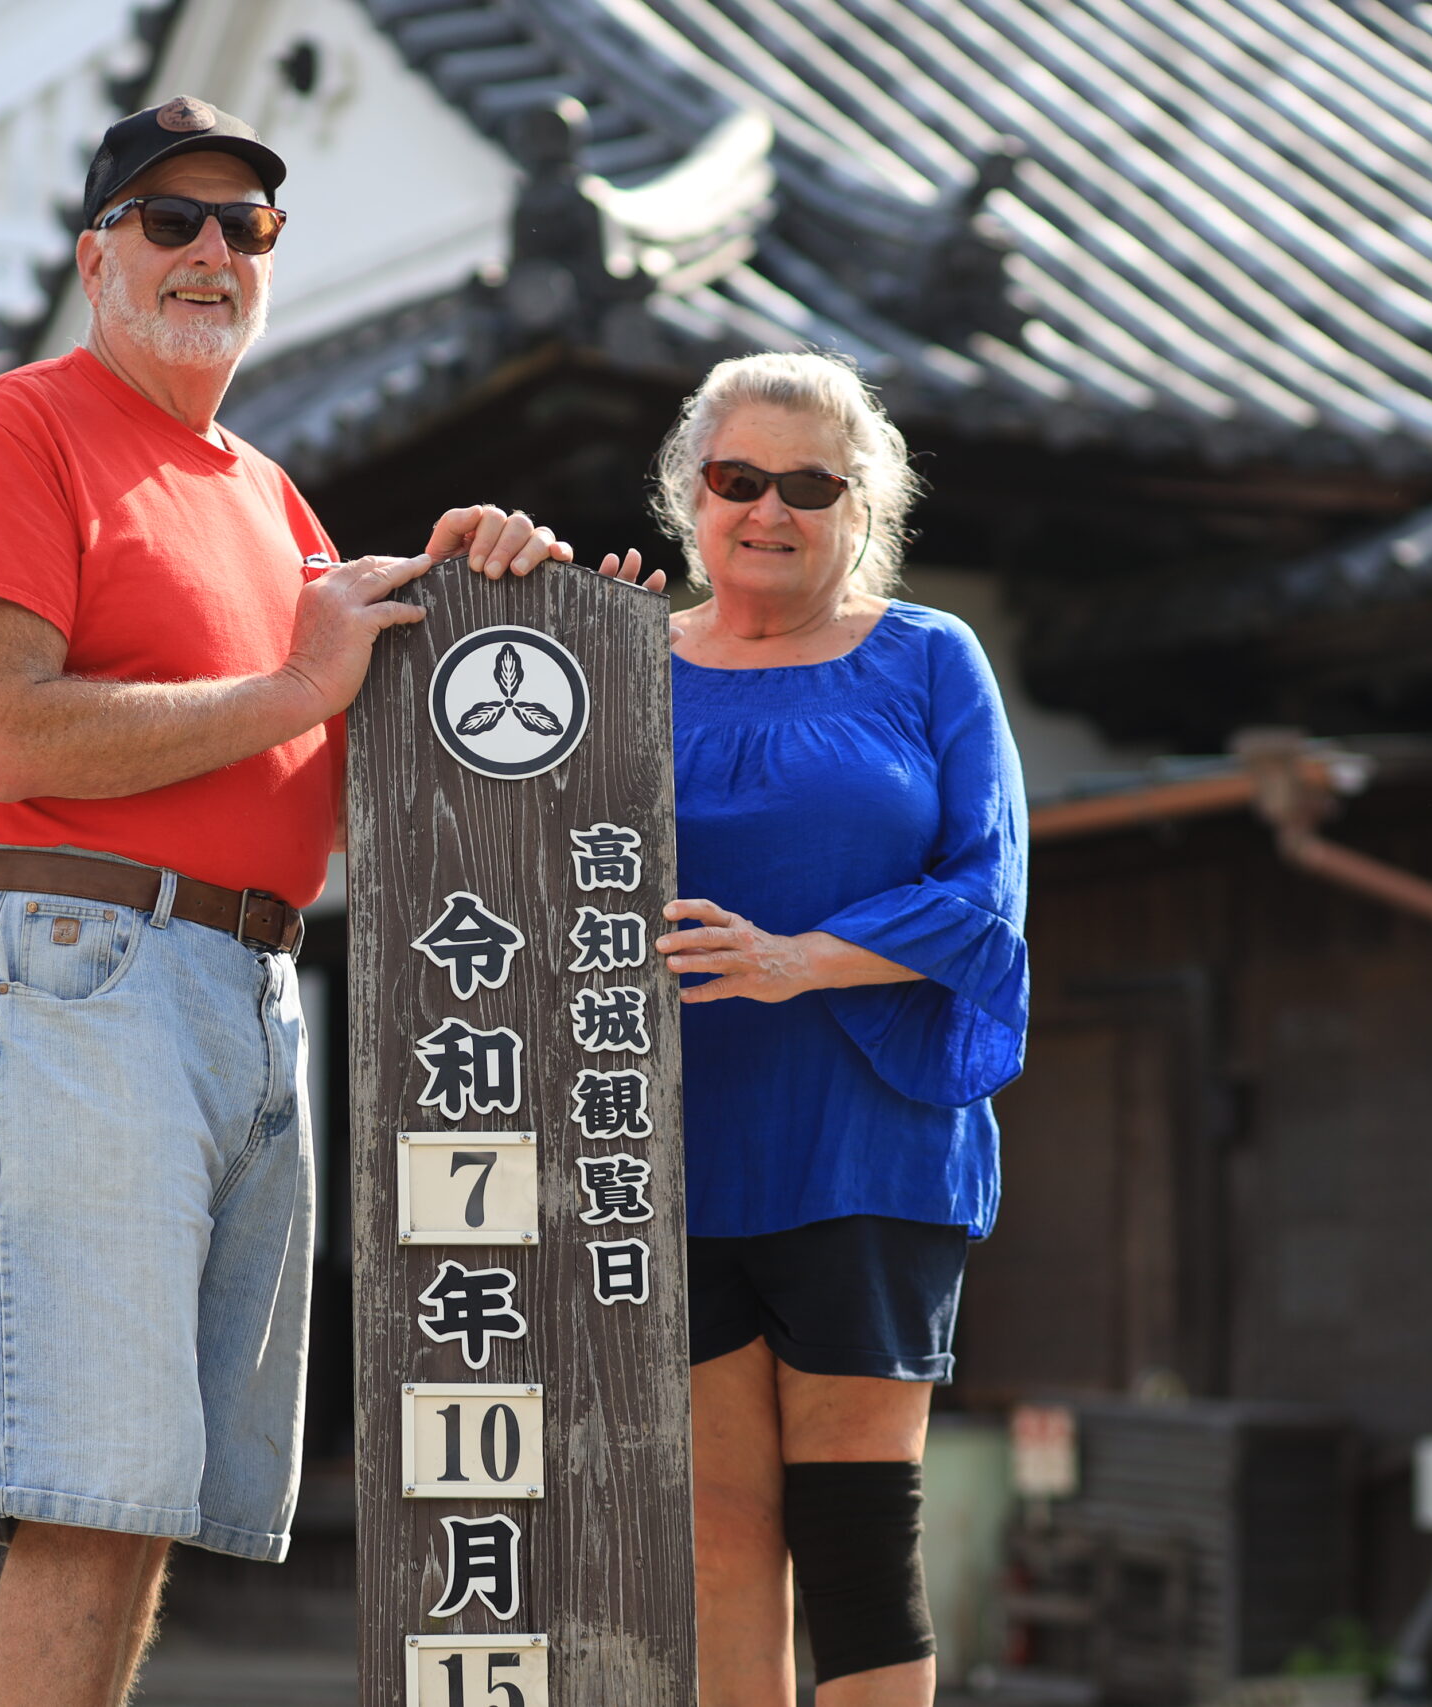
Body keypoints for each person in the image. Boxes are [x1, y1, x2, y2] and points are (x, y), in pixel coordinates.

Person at [0, 98, 585, 1707]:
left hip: (256, 978)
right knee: (86, 1474)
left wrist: (500, 610)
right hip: (80, 951)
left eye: (243, 226)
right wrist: (297, 675)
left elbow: (354, 767)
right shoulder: (12, 426)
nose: (208, 250)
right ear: (95, 254)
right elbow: (9, 726)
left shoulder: (273, 501)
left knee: (160, 1484)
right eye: (167, 219)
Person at [638, 353, 1029, 1707]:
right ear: (691, 495)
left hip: (867, 1143)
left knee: (857, 1537)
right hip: (666, 1147)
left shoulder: (931, 660)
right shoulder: (609, 662)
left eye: (811, 484)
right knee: (715, 1535)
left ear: (866, 509)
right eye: (739, 478)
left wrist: (797, 959)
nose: (770, 510)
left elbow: (986, 896)